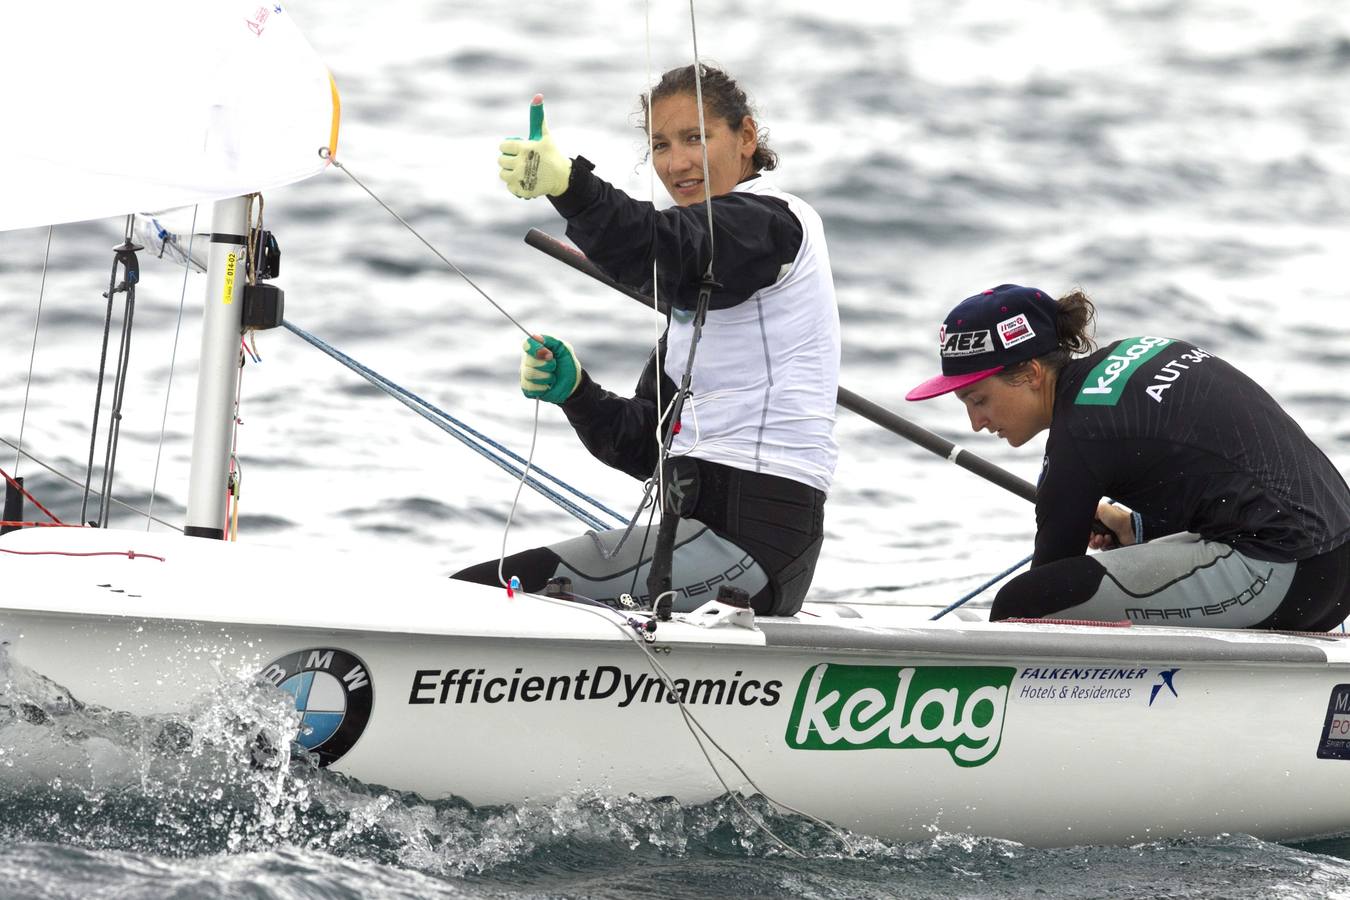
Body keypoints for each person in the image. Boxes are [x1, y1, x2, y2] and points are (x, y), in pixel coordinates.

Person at [452, 64, 841, 617]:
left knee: (483, 595)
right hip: (699, 541)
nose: (676, 162)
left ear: (746, 137)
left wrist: (569, 185)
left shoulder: (775, 223)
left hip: (751, 551)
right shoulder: (704, 292)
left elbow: (659, 246)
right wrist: (577, 393)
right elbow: (643, 447)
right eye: (660, 144)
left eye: (695, 138)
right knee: (482, 590)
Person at [905, 283, 1350, 629]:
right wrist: (1138, 526)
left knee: (1023, 603)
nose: (975, 424)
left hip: (1288, 574)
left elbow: (1046, 592)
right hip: (1334, 568)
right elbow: (1226, 479)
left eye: (978, 399)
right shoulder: (1141, 352)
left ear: (1031, 374)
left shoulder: (1079, 433)